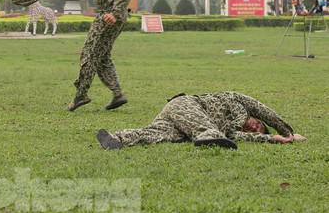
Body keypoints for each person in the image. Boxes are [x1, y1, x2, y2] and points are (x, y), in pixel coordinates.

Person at [96, 91, 307, 150]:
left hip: (181, 122)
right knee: (206, 129)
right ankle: (208, 137)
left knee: (159, 134)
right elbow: (267, 112)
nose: (255, 127)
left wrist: (272, 139)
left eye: (256, 131)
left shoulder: (232, 133)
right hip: (187, 105)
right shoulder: (239, 100)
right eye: (259, 125)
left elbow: (243, 138)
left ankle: (118, 139)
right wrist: (288, 132)